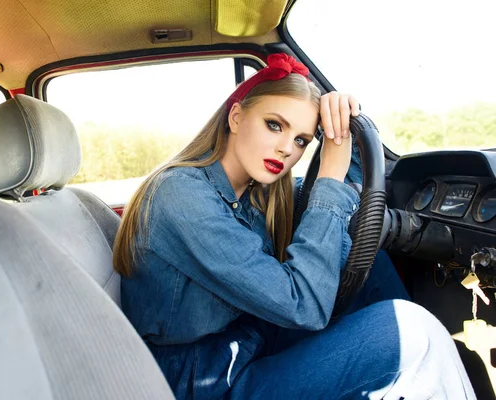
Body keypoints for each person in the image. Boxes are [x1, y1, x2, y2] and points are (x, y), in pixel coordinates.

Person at [113, 54, 475, 399]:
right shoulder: (181, 194)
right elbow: (304, 306)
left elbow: (350, 193)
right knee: (416, 334)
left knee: (373, 263)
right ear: (236, 117)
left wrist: (342, 126)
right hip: (206, 382)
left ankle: (405, 375)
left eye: (302, 140)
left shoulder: (256, 195)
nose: (287, 149)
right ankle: (416, 367)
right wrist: (330, 179)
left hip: (245, 343)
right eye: (274, 125)